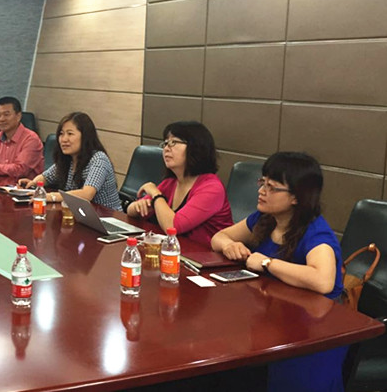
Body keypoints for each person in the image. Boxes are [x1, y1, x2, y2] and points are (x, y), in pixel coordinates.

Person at [211, 151, 345, 392]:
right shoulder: (265, 219)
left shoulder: (316, 233)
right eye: (262, 182)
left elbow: (323, 281)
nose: (261, 191)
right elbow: (218, 237)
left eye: (272, 187)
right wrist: (229, 245)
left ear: (296, 197)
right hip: (273, 321)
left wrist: (267, 263)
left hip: (310, 336)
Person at [126, 121, 232, 245]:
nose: (166, 148)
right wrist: (139, 206)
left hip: (206, 254)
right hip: (178, 250)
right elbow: (130, 210)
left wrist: (155, 193)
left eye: (174, 142)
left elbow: (172, 227)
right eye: (165, 143)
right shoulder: (171, 183)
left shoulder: (212, 188)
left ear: (195, 147)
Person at [18, 112, 121, 210]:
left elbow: (87, 194)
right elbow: (46, 177)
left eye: (70, 134)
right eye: (61, 134)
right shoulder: (69, 158)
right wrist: (33, 184)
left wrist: (50, 196)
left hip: (107, 216)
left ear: (85, 136)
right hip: (81, 214)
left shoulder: (98, 159)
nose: (64, 139)